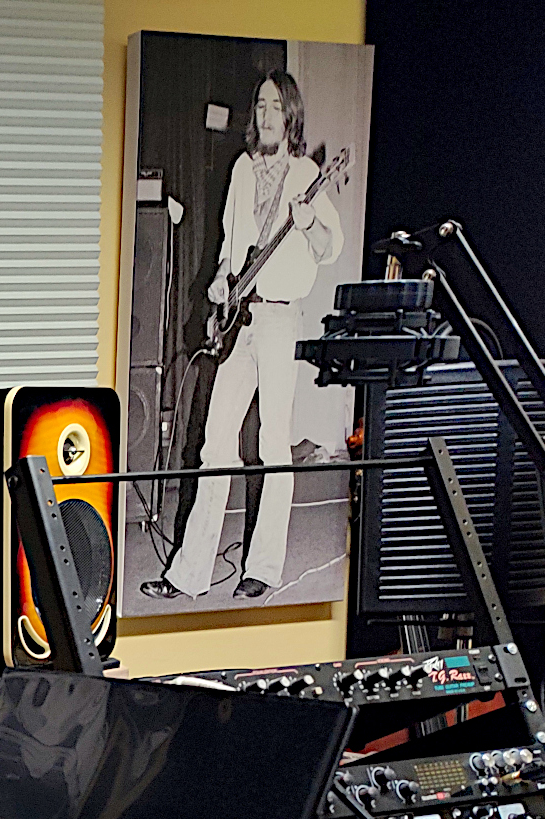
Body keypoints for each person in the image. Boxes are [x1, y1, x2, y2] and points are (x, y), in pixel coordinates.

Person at [140, 70, 342, 602]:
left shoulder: (307, 174)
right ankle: (189, 573)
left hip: (279, 320)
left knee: (273, 444)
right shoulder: (242, 170)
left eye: (276, 105)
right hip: (240, 320)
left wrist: (308, 223)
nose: (266, 114)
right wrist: (218, 285)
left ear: (291, 114)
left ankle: (264, 568)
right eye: (260, 105)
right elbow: (232, 247)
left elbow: (331, 247)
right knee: (215, 443)